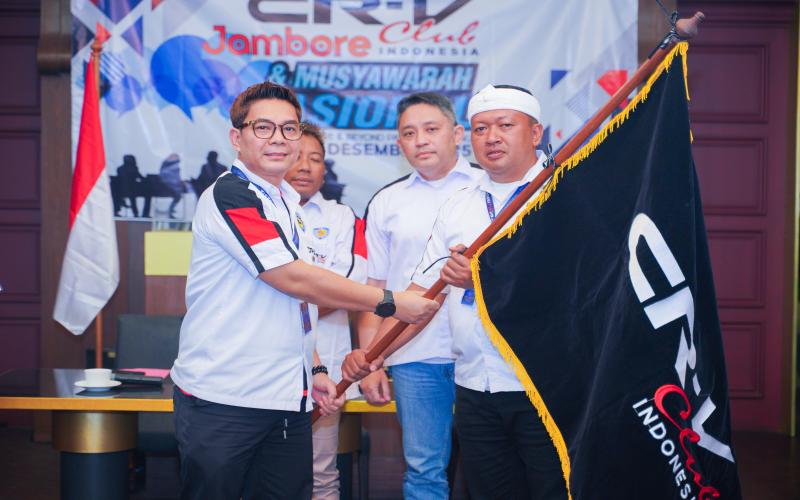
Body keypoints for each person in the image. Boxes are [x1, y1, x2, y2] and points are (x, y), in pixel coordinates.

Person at [170, 82, 439, 500]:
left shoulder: (288, 204)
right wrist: (390, 302)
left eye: (289, 128)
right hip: (225, 399)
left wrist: (313, 370)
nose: (278, 138)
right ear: (236, 137)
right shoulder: (231, 194)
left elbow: (293, 305)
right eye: (263, 127)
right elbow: (291, 278)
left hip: (286, 399)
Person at [344, 84, 566, 499]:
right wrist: (372, 355)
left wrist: (483, 276)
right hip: (474, 384)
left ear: (535, 133)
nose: (492, 137)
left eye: (504, 125)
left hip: (544, 384)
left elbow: (578, 283)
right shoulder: (460, 206)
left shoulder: (564, 193)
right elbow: (423, 296)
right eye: (482, 128)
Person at [353, 92, 481, 499]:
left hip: (484, 353)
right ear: (399, 144)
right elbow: (374, 293)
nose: (420, 140)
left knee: (492, 468)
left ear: (456, 134)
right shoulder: (387, 201)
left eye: (431, 129)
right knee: (424, 469)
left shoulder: (487, 187)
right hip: (414, 357)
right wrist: (371, 361)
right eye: (409, 133)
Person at [284, 122, 367, 499]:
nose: (305, 166)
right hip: (266, 367)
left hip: (326, 369)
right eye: (297, 156)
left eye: (315, 158)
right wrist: (307, 292)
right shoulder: (261, 213)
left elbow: (349, 288)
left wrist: (282, 298)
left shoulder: (342, 218)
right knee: (262, 472)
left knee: (322, 473)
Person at [159, 153, 185, 218]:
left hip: (173, 186)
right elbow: (165, 176)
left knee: (179, 195)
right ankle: (170, 210)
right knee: (178, 195)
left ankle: (171, 209)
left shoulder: (175, 166)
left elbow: (177, 177)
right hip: (167, 186)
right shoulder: (169, 166)